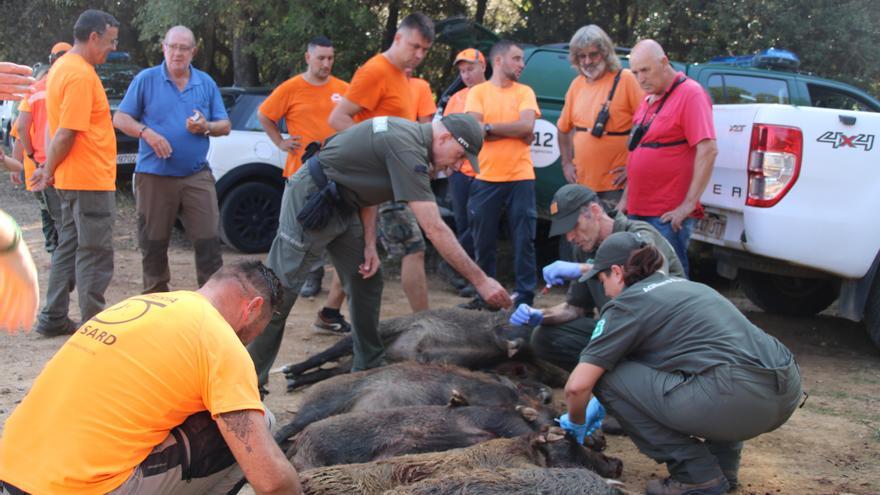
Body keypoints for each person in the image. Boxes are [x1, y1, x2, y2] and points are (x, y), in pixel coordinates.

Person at [247, 113, 512, 389]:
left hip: (345, 203)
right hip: (312, 198)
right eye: (459, 156)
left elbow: (368, 185)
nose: (456, 167)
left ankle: (369, 364)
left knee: (366, 280)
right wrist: (481, 281)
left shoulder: (412, 142)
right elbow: (435, 228)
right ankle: (247, 384)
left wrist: (369, 243)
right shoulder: (408, 149)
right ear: (444, 138)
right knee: (278, 294)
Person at [0, 261, 302, 494]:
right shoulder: (219, 339)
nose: (250, 340)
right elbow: (270, 481)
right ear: (253, 308)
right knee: (261, 422)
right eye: (259, 330)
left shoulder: (139, 306)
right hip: (80, 488)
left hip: (12, 470)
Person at [557, 232, 802, 495]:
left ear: (616, 273)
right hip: (786, 391)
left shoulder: (627, 305)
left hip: (736, 397)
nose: (603, 290)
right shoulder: (690, 288)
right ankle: (723, 467)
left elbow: (577, 387)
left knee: (606, 378)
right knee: (711, 365)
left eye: (601, 279)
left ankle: (695, 475)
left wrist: (577, 425)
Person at [510, 184, 684, 371]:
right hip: (621, 328)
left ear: (594, 211)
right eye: (565, 231)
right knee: (543, 338)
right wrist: (539, 315)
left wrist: (584, 269)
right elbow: (575, 309)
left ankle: (628, 376)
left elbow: (647, 276)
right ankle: (614, 374)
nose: (570, 237)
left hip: (659, 332)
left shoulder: (637, 233)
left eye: (574, 226)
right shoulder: (583, 249)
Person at [328, 12, 434, 314]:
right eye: (415, 46)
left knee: (359, 248)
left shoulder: (401, 76)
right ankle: (425, 323)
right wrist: (378, 155)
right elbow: (337, 118)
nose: (419, 55)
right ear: (398, 38)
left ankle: (329, 312)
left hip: (389, 178)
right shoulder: (375, 70)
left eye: (425, 50)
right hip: (382, 178)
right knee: (413, 248)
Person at [113, 26, 230, 294]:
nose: (178, 53)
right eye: (173, 47)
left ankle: (213, 302)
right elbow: (120, 118)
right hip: (154, 175)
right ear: (163, 48)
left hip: (196, 174)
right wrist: (147, 133)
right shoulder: (146, 79)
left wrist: (206, 126)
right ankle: (156, 300)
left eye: (184, 48)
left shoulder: (205, 83)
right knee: (153, 244)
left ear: (193, 52)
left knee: (209, 242)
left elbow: (225, 125)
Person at [29, 10, 119, 337]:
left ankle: (53, 316)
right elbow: (66, 132)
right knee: (94, 253)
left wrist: (49, 168)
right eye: (111, 41)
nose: (113, 48)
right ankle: (92, 328)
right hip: (88, 180)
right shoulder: (80, 74)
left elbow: (53, 128)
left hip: (72, 179)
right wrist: (47, 169)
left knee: (69, 246)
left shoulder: (61, 68)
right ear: (93, 37)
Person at [257, 35, 352, 334]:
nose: (326, 63)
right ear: (308, 57)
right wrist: (280, 141)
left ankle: (329, 305)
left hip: (338, 177)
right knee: (296, 235)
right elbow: (265, 115)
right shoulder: (291, 88)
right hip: (302, 178)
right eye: (321, 58)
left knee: (339, 234)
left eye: (330, 58)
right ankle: (305, 280)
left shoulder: (343, 89)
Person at [619, 39, 718, 275]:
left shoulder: (690, 94)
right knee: (640, 278)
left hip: (665, 215)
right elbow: (638, 151)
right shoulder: (648, 99)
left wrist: (688, 205)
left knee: (669, 280)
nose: (641, 78)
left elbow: (708, 150)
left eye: (645, 70)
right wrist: (625, 199)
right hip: (638, 209)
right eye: (635, 72)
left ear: (664, 63)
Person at [462, 40, 539, 310]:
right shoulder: (478, 92)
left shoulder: (525, 91)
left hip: (521, 176)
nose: (522, 64)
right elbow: (474, 129)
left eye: (522, 59)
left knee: (524, 239)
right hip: (486, 177)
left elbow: (526, 126)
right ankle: (487, 297)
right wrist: (511, 130)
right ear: (498, 61)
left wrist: (490, 128)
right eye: (516, 58)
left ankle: (525, 296)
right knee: (483, 242)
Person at [557, 25, 643, 212]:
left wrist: (632, 167)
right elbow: (563, 128)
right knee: (581, 231)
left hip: (615, 187)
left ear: (605, 53)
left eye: (593, 54)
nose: (587, 61)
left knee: (612, 231)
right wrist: (566, 163)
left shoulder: (626, 79)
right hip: (581, 184)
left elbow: (647, 127)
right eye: (582, 56)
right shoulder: (577, 85)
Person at [18, 43, 72, 254]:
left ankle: (56, 253)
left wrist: (31, 154)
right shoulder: (73, 85)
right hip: (69, 162)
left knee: (53, 216)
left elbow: (21, 127)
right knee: (73, 219)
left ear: (50, 60)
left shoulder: (35, 90)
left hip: (42, 163)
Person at [441, 48, 486, 298]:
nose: (466, 75)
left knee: (480, 223)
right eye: (462, 71)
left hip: (486, 171)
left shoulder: (493, 93)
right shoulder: (456, 98)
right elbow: (444, 133)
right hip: (459, 171)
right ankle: (462, 274)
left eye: (470, 69)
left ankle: (469, 272)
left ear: (483, 67)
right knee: (462, 223)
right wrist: (448, 166)